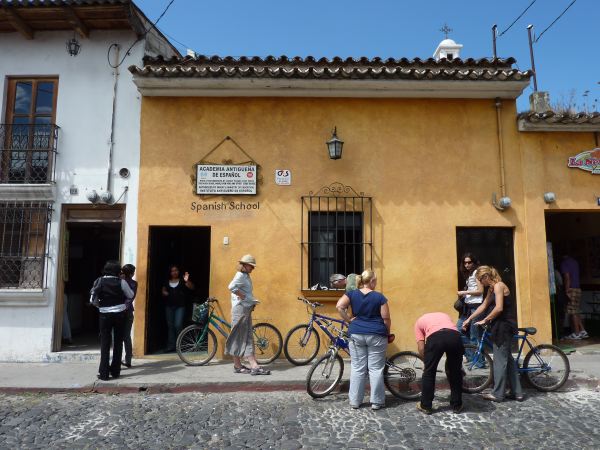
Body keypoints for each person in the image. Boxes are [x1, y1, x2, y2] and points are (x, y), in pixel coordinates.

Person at [462, 266, 524, 402]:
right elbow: (483, 306)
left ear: (486, 277)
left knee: (500, 361)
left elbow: (499, 307)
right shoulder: (492, 289)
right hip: (498, 326)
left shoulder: (498, 286)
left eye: (480, 280)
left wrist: (485, 319)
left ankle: (498, 394)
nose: (480, 283)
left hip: (503, 327)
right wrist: (469, 319)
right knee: (508, 361)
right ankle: (517, 392)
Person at [336, 270, 391, 410]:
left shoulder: (352, 294)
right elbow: (386, 319)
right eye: (375, 281)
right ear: (371, 281)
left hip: (356, 334)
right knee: (376, 369)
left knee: (357, 368)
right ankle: (377, 402)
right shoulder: (380, 297)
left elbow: (339, 306)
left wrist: (349, 321)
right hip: (377, 334)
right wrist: (387, 333)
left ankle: (355, 401)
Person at [225, 254, 271, 376]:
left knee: (243, 335)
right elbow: (231, 287)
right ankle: (253, 365)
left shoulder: (245, 275)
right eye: (251, 266)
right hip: (240, 309)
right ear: (244, 265)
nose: (253, 268)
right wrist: (243, 296)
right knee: (242, 336)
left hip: (244, 308)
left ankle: (238, 365)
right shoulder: (240, 275)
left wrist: (251, 300)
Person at [90, 260, 135, 381]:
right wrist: (124, 306)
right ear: (117, 271)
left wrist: (100, 306)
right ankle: (115, 371)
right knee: (118, 342)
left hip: (104, 315)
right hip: (120, 314)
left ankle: (104, 373)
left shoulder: (99, 281)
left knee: (105, 343)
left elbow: (92, 298)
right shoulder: (122, 282)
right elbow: (130, 295)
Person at [414, 312, 464, 414]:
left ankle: (426, 405)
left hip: (435, 338)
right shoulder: (444, 315)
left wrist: (427, 362)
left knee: (429, 373)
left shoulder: (418, 323)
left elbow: (421, 347)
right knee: (456, 372)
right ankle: (457, 405)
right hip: (454, 337)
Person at [161, 265, 194, 352]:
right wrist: (164, 293)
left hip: (180, 306)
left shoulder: (182, 281)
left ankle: (180, 345)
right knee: (170, 326)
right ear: (170, 272)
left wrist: (187, 281)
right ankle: (171, 346)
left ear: (178, 271)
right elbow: (163, 290)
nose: (174, 272)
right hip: (169, 307)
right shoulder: (166, 281)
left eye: (176, 270)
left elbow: (192, 287)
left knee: (178, 325)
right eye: (172, 271)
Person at [456, 253, 484, 345]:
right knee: (459, 329)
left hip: (476, 307)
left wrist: (465, 292)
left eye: (469, 262)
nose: (467, 265)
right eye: (465, 263)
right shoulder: (469, 274)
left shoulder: (477, 273)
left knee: (474, 335)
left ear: (474, 262)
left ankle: (478, 359)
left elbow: (480, 291)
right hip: (468, 307)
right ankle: (471, 356)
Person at [561, 254, 588, 340]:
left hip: (571, 289)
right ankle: (583, 331)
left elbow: (567, 277)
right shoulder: (575, 262)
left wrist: (566, 290)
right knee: (576, 311)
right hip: (578, 289)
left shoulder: (565, 263)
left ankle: (577, 333)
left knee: (572, 312)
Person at [121, 264, 138, 368]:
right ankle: (128, 360)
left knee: (118, 336)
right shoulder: (134, 283)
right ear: (132, 273)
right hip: (128, 312)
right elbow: (131, 298)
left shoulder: (118, 281)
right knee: (127, 336)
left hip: (119, 312)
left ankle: (117, 359)